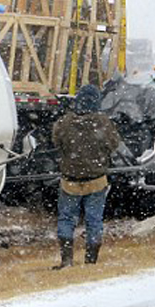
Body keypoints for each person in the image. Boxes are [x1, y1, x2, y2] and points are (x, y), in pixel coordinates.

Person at [51, 84, 121, 269]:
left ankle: (66, 260)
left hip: (70, 181)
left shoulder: (65, 122)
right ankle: (91, 260)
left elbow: (56, 142)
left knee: (66, 218)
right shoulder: (104, 123)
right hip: (96, 180)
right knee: (94, 219)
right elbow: (114, 144)